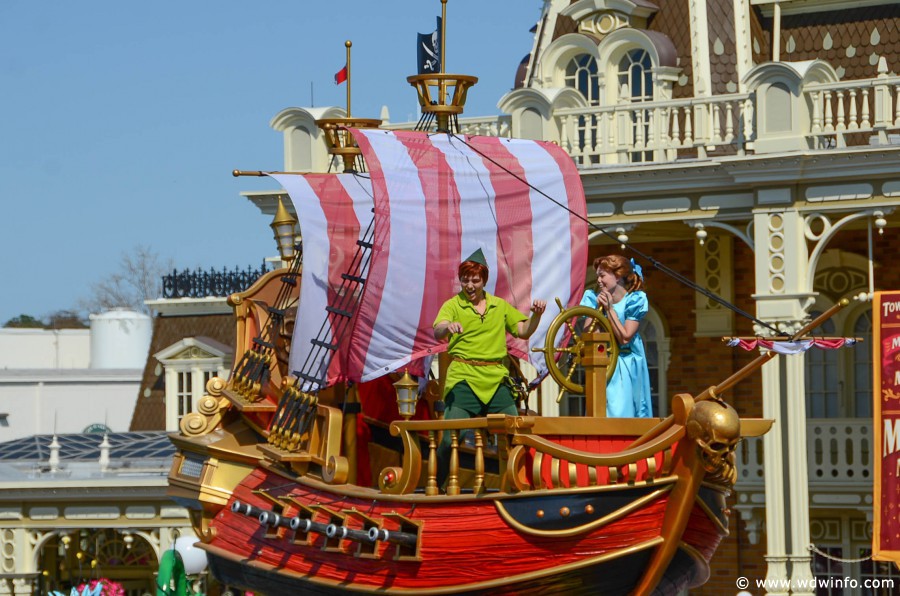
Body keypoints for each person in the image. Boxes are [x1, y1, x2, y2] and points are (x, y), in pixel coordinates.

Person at [433, 248, 546, 485]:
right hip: (464, 378)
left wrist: (535, 316)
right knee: (450, 439)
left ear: (484, 280)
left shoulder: (499, 306)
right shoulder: (453, 305)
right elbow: (438, 330)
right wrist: (448, 326)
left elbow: (523, 330)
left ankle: (524, 484)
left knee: (517, 433)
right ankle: (438, 487)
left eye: (475, 280)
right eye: (465, 280)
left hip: (496, 379)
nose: (470, 285)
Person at [580, 255, 652, 418]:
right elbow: (589, 336)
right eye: (597, 275)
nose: (598, 280)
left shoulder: (634, 300)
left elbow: (625, 337)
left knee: (620, 411)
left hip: (626, 362)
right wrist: (597, 311)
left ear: (618, 276)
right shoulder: (593, 298)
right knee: (599, 411)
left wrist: (610, 309)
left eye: (602, 275)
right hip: (603, 362)